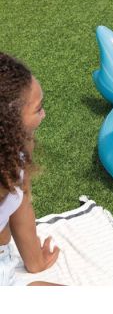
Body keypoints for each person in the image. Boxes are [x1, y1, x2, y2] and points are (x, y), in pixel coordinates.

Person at [0, 52, 60, 286]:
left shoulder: (16, 148)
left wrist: (35, 261)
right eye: (38, 109)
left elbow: (20, 201)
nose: (44, 114)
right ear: (9, 121)